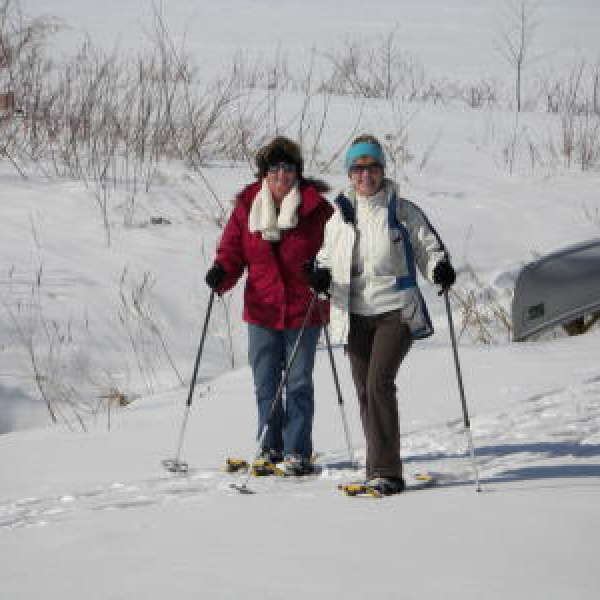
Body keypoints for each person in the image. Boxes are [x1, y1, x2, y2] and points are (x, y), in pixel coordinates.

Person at [309, 134, 456, 494]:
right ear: (349, 173)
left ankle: (388, 471)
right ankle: (376, 465)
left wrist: (439, 268)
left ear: (382, 170)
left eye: (372, 167)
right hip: (353, 312)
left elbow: (427, 247)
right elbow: (326, 256)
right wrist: (321, 274)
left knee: (378, 383)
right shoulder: (339, 215)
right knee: (364, 391)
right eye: (358, 168)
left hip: (396, 311)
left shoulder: (402, 210)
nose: (365, 175)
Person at [205, 136, 333, 476]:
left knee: (299, 383)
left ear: (297, 172)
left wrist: (324, 275)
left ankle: (297, 452)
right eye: (274, 167)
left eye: (288, 167)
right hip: (262, 309)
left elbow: (336, 251)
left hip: (303, 311)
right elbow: (232, 250)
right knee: (265, 383)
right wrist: (222, 272)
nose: (281, 174)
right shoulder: (247, 207)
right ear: (265, 172)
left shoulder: (318, 210)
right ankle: (269, 447)